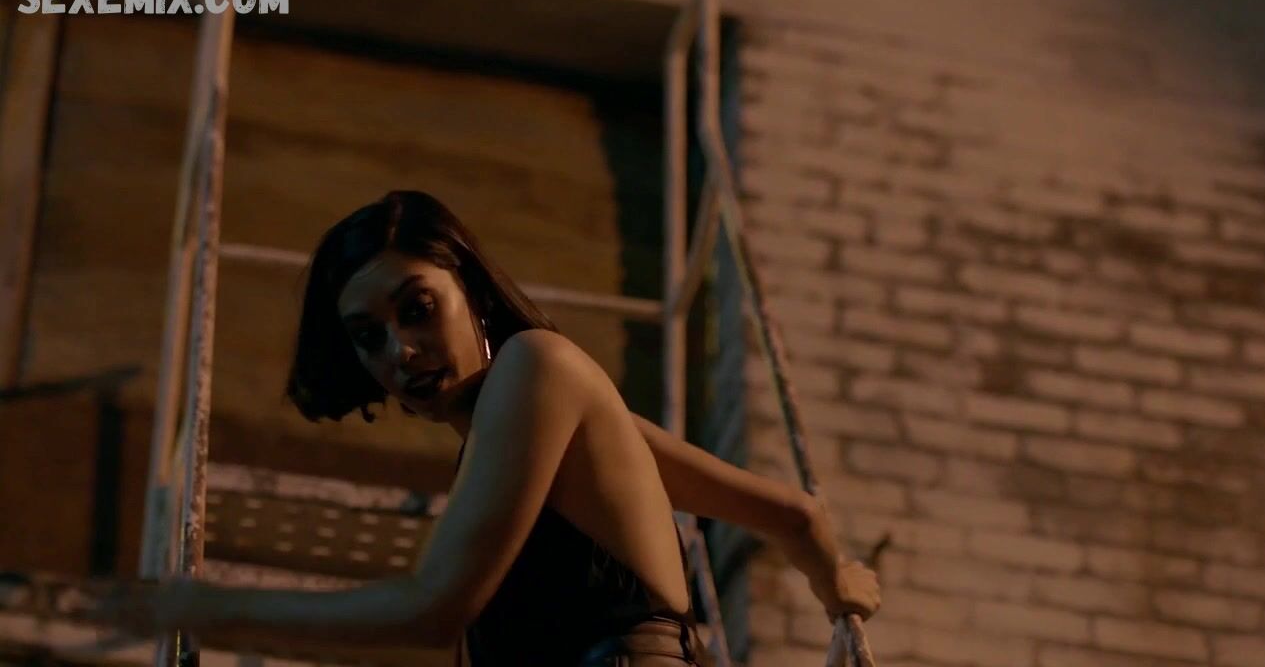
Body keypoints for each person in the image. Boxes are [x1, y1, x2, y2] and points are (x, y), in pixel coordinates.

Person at [96, 190, 880, 665]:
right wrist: (835, 579)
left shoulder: (539, 366)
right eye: (368, 337)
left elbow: (431, 608)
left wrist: (205, 607)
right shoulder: (553, 416)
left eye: (417, 309)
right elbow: (792, 514)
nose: (401, 351)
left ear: (470, 290)